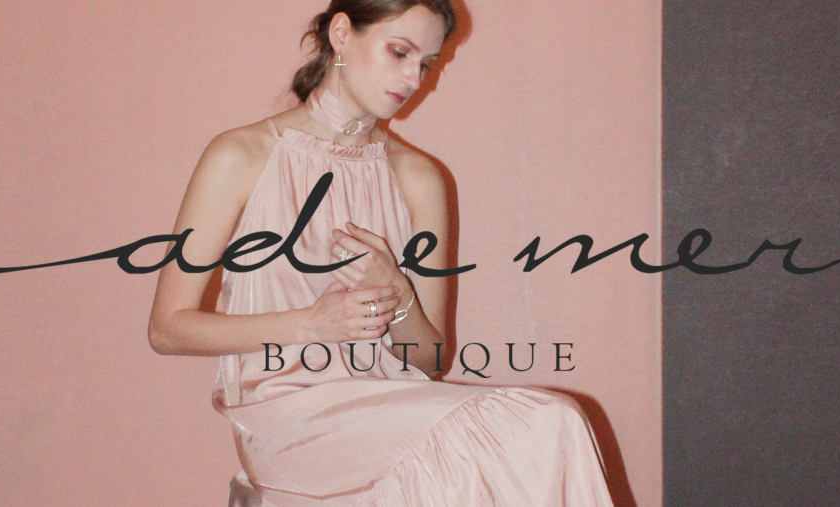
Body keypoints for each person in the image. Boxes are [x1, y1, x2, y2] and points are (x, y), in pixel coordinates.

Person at [148, 1, 614, 505]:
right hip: (287, 419)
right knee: (548, 421)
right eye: (399, 52)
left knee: (543, 431)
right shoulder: (240, 155)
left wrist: (399, 292)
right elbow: (167, 329)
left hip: (393, 406)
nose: (414, 78)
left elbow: (429, 360)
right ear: (341, 34)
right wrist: (311, 325)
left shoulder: (418, 177)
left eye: (426, 63)